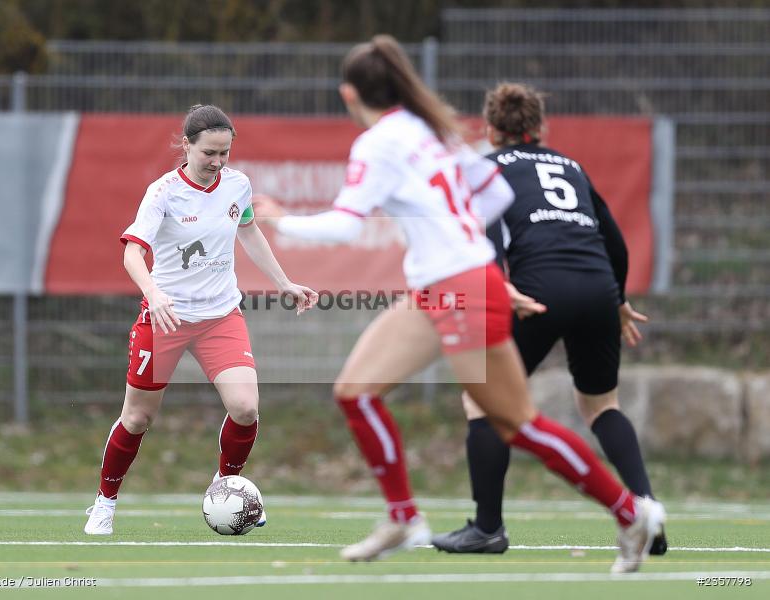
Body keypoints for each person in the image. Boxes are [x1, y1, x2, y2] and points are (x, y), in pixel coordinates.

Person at [253, 35, 665, 572]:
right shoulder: (432, 130)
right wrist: (464, 244)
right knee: (357, 392)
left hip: (459, 286)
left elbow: (344, 224)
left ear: (348, 94)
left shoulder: (380, 142)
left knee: (515, 422)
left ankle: (629, 512)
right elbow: (495, 195)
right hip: (450, 284)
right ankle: (404, 517)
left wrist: (279, 219)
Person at [429, 82, 667, 556]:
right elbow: (614, 240)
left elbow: (487, 232)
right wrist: (617, 300)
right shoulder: (571, 167)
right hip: (598, 288)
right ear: (541, 128)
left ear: (491, 130)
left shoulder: (487, 166)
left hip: (537, 291)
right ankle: (647, 513)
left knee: (483, 403)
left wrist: (501, 282)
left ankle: (488, 527)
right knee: (601, 406)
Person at [84, 104, 318, 535]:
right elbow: (131, 252)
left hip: (220, 316)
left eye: (224, 153)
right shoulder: (163, 192)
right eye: (209, 152)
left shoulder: (237, 185)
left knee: (246, 409)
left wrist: (283, 282)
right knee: (138, 419)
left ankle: (224, 487)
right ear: (186, 145)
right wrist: (153, 294)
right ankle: (105, 502)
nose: (217, 162)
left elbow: (248, 229)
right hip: (166, 318)